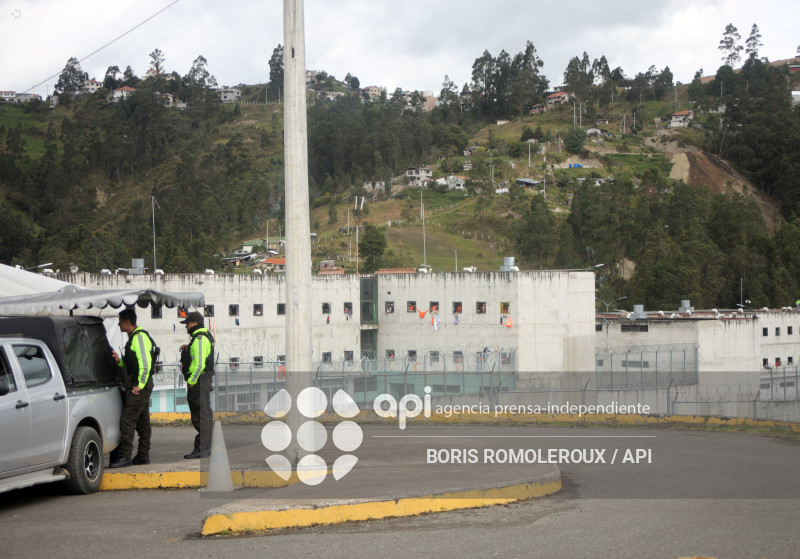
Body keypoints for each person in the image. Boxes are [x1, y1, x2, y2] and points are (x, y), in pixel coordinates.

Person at [109, 308, 157, 468]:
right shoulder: (133, 338)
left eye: (120, 321)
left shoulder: (140, 337)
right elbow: (131, 365)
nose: (118, 324)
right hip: (137, 383)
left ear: (127, 321)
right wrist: (119, 361)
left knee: (127, 420)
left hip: (139, 385)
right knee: (142, 423)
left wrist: (139, 386)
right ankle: (143, 455)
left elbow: (145, 364)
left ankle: (125, 456)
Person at [180, 311, 215, 459]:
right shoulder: (199, 338)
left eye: (187, 324)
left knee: (200, 416)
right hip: (202, 381)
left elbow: (199, 363)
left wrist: (191, 382)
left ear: (194, 323)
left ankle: (202, 449)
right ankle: (204, 448)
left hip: (199, 382)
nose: (186, 327)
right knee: (204, 415)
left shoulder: (200, 338)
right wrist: (187, 348)